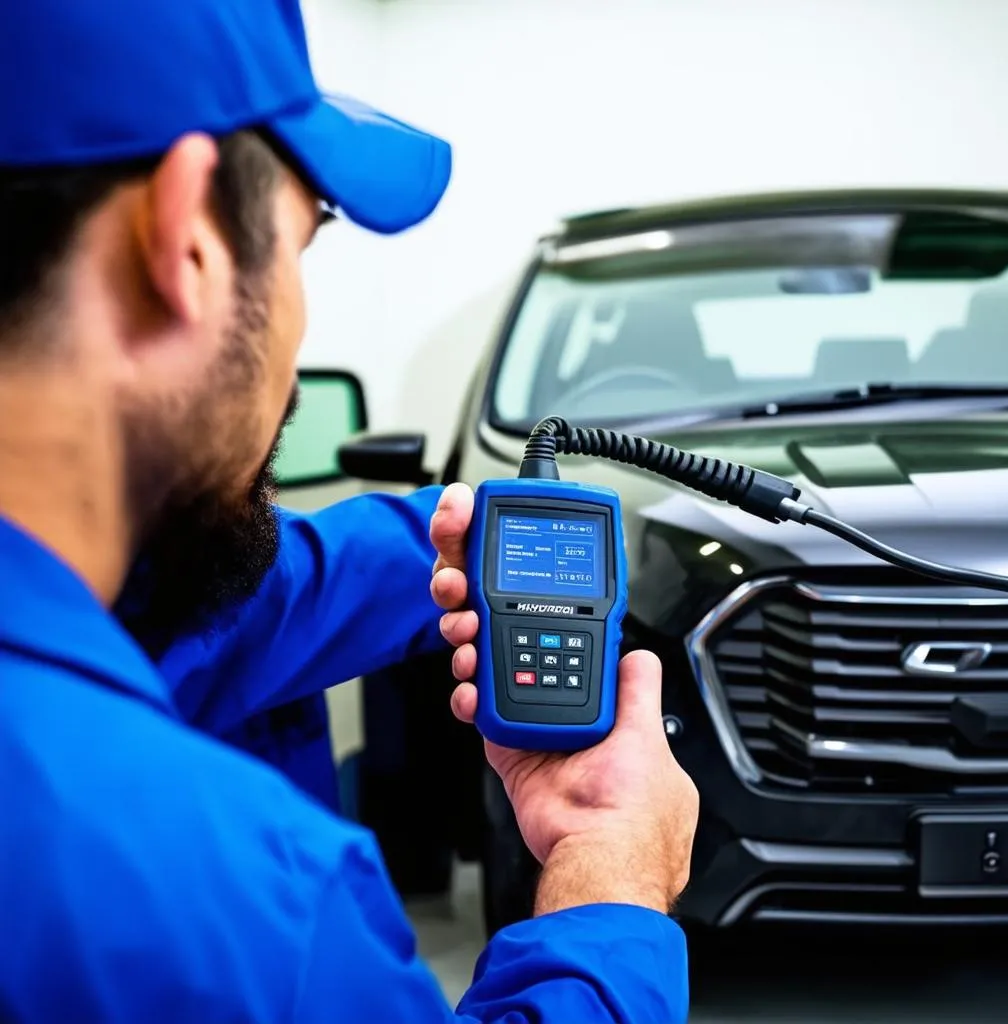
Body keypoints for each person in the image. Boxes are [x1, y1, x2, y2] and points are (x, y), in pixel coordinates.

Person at [0, 1, 701, 1022]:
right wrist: (610, 878)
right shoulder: (253, 918)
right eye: (302, 240)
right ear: (186, 237)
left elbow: (231, 605)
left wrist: (476, 532)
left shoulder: (96, 611)